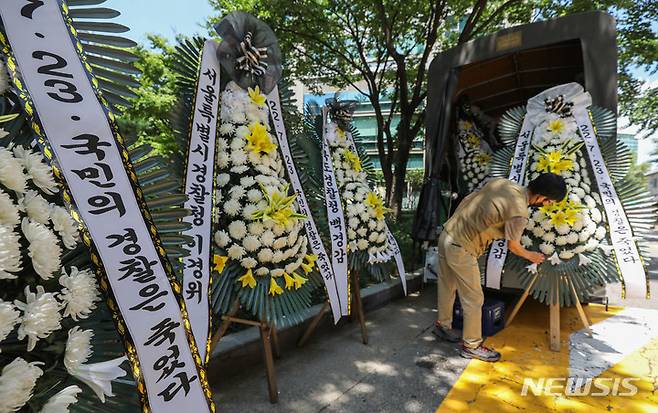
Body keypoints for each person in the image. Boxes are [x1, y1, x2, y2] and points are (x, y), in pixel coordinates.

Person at [433, 173, 567, 362]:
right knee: (474, 298)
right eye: (550, 201)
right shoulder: (519, 213)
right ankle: (472, 345)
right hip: (462, 247)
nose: (548, 205)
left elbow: (469, 199)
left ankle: (443, 325)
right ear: (542, 197)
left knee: (447, 285)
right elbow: (513, 246)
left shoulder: (503, 183)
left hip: (448, 234)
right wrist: (532, 256)